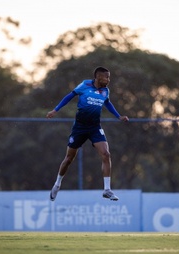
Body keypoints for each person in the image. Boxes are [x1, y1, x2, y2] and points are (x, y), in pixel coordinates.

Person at [46, 66, 129, 201]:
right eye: (106, 77)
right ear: (97, 77)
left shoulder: (105, 91)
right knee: (68, 159)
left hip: (95, 127)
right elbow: (70, 96)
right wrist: (55, 110)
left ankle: (107, 189)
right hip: (79, 128)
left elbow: (108, 103)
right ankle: (57, 184)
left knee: (106, 154)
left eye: (109, 77)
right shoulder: (85, 85)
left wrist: (118, 116)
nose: (108, 80)